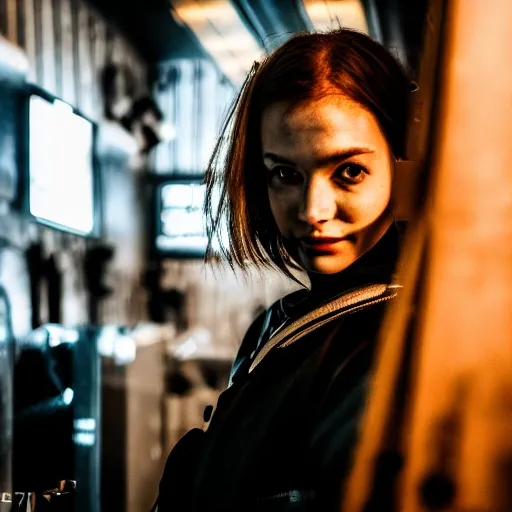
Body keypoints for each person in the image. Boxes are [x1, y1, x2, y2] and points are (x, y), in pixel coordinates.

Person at [154, 28, 411, 512]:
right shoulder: (281, 322)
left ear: (406, 164)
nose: (312, 210)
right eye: (285, 173)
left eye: (349, 171)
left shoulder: (396, 344)